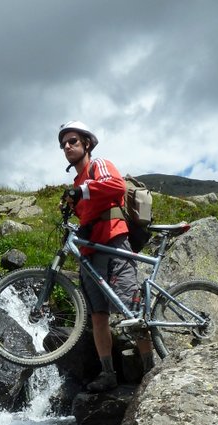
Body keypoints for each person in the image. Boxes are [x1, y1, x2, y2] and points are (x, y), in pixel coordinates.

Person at [58, 120, 154, 392]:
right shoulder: (77, 181)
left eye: (73, 141)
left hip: (113, 240)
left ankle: (151, 370)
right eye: (64, 144)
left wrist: (83, 190)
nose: (67, 146)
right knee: (98, 316)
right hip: (90, 251)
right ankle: (108, 373)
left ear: (86, 143)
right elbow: (86, 213)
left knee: (130, 310)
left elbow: (116, 187)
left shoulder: (97, 165)